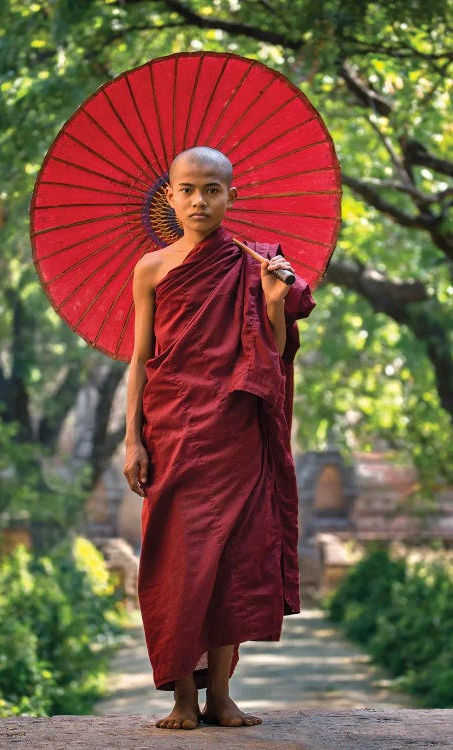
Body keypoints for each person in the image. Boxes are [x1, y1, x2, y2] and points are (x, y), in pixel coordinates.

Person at [123, 146, 315, 730]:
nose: (199, 200)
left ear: (232, 196)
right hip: (173, 428)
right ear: (171, 197)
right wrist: (133, 438)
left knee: (232, 556)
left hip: (235, 432)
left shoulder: (254, 265)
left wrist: (276, 302)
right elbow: (139, 358)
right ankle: (183, 698)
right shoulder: (151, 268)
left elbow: (273, 356)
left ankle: (221, 697)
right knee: (178, 559)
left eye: (212, 189)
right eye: (188, 189)